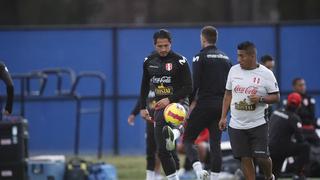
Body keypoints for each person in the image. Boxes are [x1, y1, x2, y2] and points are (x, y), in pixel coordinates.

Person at [219, 41, 280, 180]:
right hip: (236, 125)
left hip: (258, 124)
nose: (238, 59)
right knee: (245, 158)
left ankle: (269, 176)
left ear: (252, 56)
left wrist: (260, 99)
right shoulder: (233, 70)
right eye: (238, 56)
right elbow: (228, 94)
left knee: (262, 157)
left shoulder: (266, 74)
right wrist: (223, 117)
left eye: (242, 56)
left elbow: (276, 97)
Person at [139, 29, 192, 180]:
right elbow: (144, 85)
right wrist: (142, 108)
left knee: (173, 129)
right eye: (160, 46)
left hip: (178, 103)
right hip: (159, 108)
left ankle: (176, 132)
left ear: (171, 44)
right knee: (162, 150)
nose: (163, 49)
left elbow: (189, 87)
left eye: (166, 46)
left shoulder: (180, 61)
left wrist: (169, 99)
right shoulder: (148, 61)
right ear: (154, 45)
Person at [183, 26, 232, 180]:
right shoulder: (226, 58)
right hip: (221, 107)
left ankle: (199, 172)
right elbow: (230, 87)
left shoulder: (199, 57)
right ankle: (215, 178)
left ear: (202, 39)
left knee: (188, 139)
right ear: (215, 39)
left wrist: (187, 106)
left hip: (204, 105)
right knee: (215, 144)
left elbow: (194, 84)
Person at [269, 92, 310, 180]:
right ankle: (297, 174)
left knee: (273, 176)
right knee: (305, 147)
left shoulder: (276, 112)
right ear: (299, 105)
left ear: (287, 102)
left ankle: (243, 178)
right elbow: (300, 139)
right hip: (281, 149)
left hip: (269, 148)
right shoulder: (294, 118)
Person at [260, 54, 275, 119]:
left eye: (272, 67)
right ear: (261, 65)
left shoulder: (271, 78)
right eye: (268, 67)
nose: (271, 70)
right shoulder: (253, 78)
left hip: (268, 109)